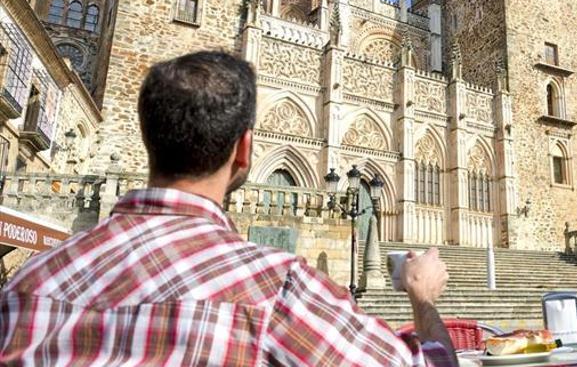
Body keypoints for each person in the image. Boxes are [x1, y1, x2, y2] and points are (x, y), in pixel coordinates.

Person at [0, 51, 458, 367]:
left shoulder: (27, 286)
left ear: (148, 139)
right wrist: (422, 298)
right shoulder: (276, 291)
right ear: (244, 150)